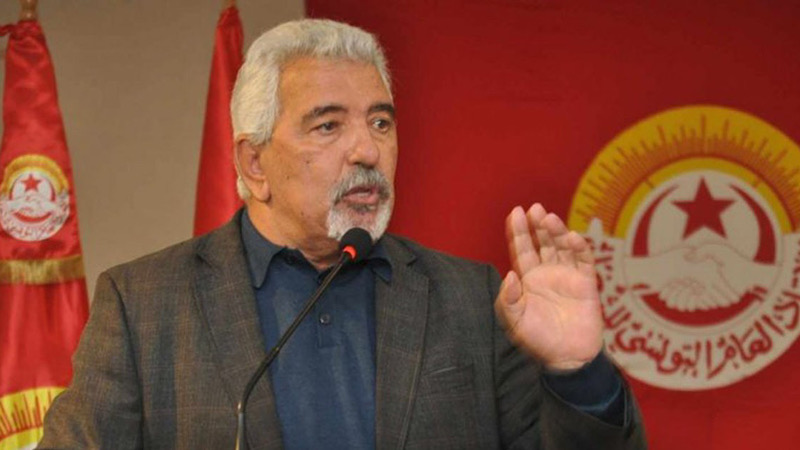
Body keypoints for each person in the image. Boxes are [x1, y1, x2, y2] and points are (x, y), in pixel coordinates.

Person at [40, 19, 646, 449]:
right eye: (328, 126)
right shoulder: (144, 305)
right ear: (254, 163)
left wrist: (578, 372)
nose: (368, 150)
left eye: (380, 122)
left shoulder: (471, 299)